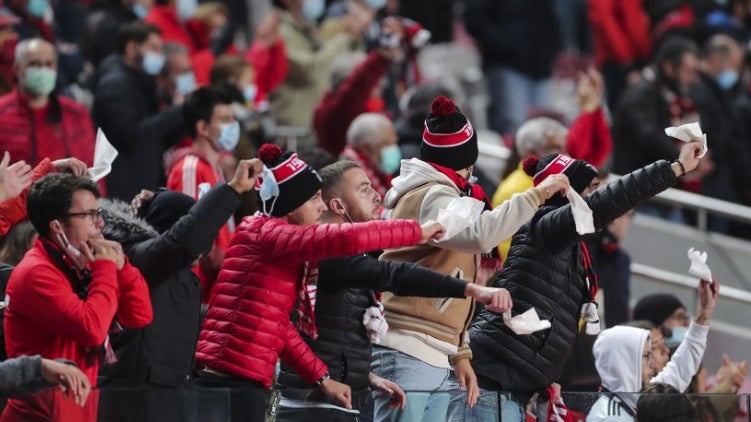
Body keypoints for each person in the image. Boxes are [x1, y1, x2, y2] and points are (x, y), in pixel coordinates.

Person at [194, 143, 446, 422]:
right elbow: (347, 239)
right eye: (314, 198)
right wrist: (416, 231)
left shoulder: (267, 240)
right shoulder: (275, 237)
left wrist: (326, 377)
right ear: (293, 206)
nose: (322, 205)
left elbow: (281, 328)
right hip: (237, 385)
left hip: (248, 382)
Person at [457, 140, 705, 421]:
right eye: (592, 188)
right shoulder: (544, 227)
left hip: (515, 385)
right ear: (566, 193)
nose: (597, 196)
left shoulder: (574, 252)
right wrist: (676, 167)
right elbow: (606, 204)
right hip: (492, 378)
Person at [372, 96, 570, 422]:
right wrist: (537, 194)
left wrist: (460, 351)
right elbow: (479, 236)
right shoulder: (431, 194)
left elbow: (458, 278)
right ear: (462, 159)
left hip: (434, 348)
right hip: (408, 346)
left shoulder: (442, 192)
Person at [275, 160, 514, 421]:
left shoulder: (341, 254)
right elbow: (395, 274)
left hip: (332, 399)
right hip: (313, 405)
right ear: (338, 206)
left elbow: (334, 337)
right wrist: (468, 288)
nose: (377, 195)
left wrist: (368, 377)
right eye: (364, 189)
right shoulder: (327, 254)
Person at [97, 159, 261, 422]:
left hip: (167, 396)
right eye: (201, 238)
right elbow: (181, 242)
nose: (203, 247)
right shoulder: (138, 257)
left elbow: (179, 316)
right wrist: (232, 189)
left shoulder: (180, 274)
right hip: (132, 398)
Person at [1, 173, 153, 421]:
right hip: (40, 416)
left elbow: (140, 315)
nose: (100, 224)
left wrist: (121, 267)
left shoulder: (79, 265)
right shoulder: (35, 273)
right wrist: (105, 270)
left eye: (98, 213)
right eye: (88, 215)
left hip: (77, 410)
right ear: (57, 226)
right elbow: (91, 328)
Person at [588, 277, 718, 421]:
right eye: (646, 356)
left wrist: (705, 310)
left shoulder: (639, 397)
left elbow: (682, 365)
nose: (653, 364)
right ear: (625, 361)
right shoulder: (609, 417)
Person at [93, 21, 186, 200]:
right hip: (125, 187)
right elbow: (131, 136)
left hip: (145, 178)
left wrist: (184, 114)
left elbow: (160, 138)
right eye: (153, 48)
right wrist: (175, 111)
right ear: (131, 48)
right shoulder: (115, 84)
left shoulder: (142, 80)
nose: (160, 55)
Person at [463, 0, 562, 135]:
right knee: (513, 126)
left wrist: (553, 49)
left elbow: (550, 16)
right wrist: (502, 44)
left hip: (541, 64)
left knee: (543, 130)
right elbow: (474, 18)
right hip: (505, 65)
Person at [0, 38, 95, 168]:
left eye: (48, 64)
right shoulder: (2, 114)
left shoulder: (76, 113)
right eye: (34, 64)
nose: (43, 70)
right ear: (17, 69)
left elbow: (92, 167)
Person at [340, 113, 400, 199]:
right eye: (387, 144)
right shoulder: (351, 181)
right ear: (366, 149)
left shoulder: (378, 169)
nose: (393, 149)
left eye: (394, 143)